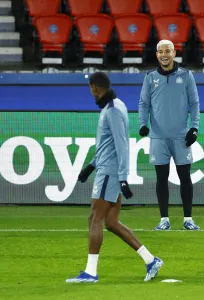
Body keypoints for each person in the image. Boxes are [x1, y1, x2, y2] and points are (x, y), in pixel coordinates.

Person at [66, 72, 163, 283]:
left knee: (95, 218)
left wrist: (123, 178)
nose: (92, 94)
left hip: (110, 173)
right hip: (106, 170)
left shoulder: (112, 111)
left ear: (94, 88)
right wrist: (90, 166)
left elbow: (122, 144)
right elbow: (107, 145)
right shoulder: (115, 106)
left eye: (91, 90)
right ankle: (150, 260)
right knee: (110, 222)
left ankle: (91, 273)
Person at [138, 40, 201, 231]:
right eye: (160, 51)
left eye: (168, 51)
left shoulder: (186, 75)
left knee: (185, 178)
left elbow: (195, 103)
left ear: (174, 53)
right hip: (158, 138)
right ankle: (164, 219)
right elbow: (143, 104)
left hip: (181, 136)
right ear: (156, 54)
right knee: (161, 178)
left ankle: (188, 219)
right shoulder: (150, 77)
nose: (164, 54)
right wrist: (143, 124)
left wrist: (194, 128)